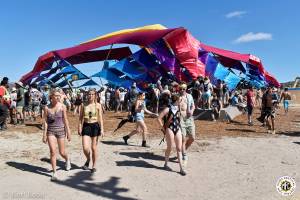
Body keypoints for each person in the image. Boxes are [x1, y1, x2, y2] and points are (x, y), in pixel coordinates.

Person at [42, 88, 71, 181]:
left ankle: (67, 159)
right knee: (52, 151)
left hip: (61, 131)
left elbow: (65, 120)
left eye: (59, 95)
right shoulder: (46, 107)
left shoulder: (63, 107)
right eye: (56, 96)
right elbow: (45, 121)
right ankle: (54, 172)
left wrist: (68, 132)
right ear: (51, 97)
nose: (58, 97)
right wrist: (44, 134)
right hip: (50, 131)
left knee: (62, 152)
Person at [157, 94, 186, 176]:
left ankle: (181, 168)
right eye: (180, 100)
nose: (181, 101)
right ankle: (166, 164)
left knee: (179, 148)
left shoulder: (179, 109)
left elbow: (182, 118)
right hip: (169, 128)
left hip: (177, 128)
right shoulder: (168, 109)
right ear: (176, 101)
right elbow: (158, 118)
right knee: (169, 147)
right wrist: (163, 128)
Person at [78, 89, 104, 173]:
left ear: (95, 95)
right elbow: (80, 118)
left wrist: (102, 129)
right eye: (89, 94)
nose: (91, 96)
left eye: (92, 94)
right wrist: (79, 126)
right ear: (87, 95)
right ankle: (88, 159)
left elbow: (100, 118)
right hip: (86, 126)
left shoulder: (98, 105)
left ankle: (94, 166)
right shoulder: (83, 104)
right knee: (85, 147)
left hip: (95, 126)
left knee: (93, 148)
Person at [179, 83, 195, 162]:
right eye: (180, 89)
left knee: (192, 138)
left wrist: (192, 111)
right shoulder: (177, 97)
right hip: (181, 120)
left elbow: (193, 106)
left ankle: (184, 149)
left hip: (189, 119)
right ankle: (183, 154)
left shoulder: (190, 96)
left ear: (186, 89)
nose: (182, 90)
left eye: (183, 89)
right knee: (183, 139)